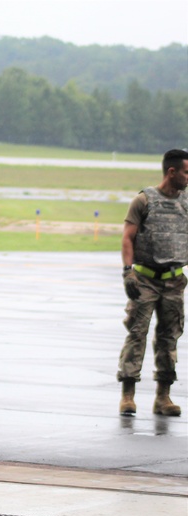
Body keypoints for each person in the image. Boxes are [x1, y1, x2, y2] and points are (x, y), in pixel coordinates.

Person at [117, 148, 188, 417]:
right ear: (172, 172)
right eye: (186, 172)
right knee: (137, 334)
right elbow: (127, 237)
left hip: (174, 282)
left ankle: (163, 397)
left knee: (169, 339)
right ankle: (128, 396)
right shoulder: (144, 200)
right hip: (145, 279)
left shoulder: (186, 202)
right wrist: (128, 272)